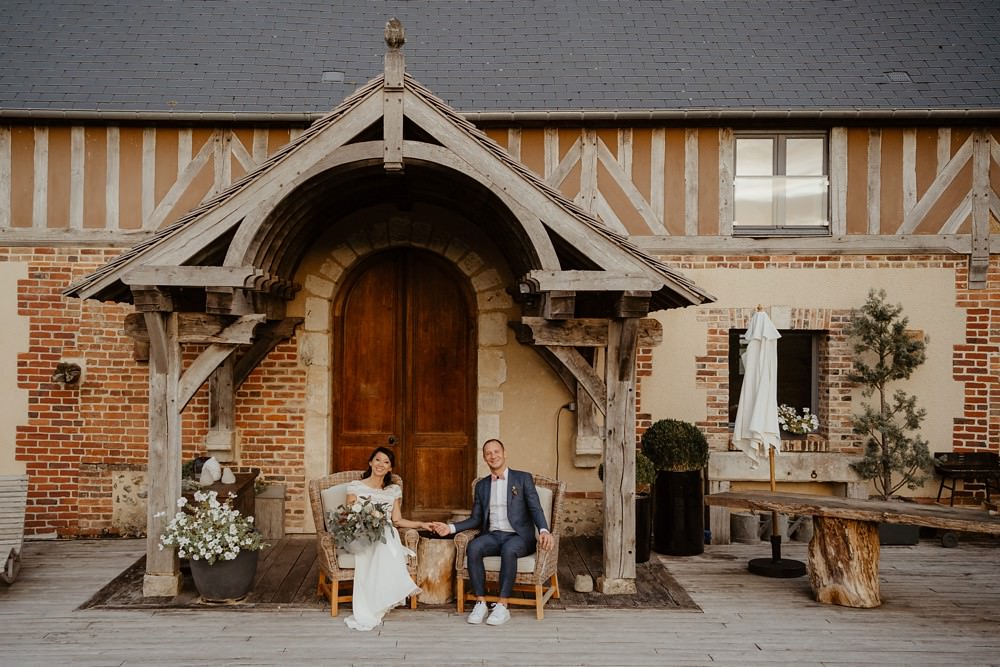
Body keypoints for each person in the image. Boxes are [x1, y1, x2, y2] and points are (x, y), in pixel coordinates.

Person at [431, 438, 553, 626]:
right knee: (473, 547)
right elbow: (476, 519)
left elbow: (536, 509)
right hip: (494, 535)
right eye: (488, 453)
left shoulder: (522, 478)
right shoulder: (482, 486)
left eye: (496, 451)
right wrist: (450, 528)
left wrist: (544, 530)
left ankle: (502, 605)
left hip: (519, 537)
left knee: (509, 550)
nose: (493, 455)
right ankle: (481, 602)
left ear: (505, 454)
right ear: (484, 458)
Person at [343, 446, 432, 631]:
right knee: (383, 537)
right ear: (370, 462)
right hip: (361, 534)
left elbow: (397, 520)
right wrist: (368, 524)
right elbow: (350, 516)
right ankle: (378, 598)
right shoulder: (355, 486)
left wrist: (421, 524)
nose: (381, 464)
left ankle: (378, 600)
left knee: (386, 532)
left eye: (386, 462)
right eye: (378, 460)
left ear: (390, 468)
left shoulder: (393, 490)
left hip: (384, 534)